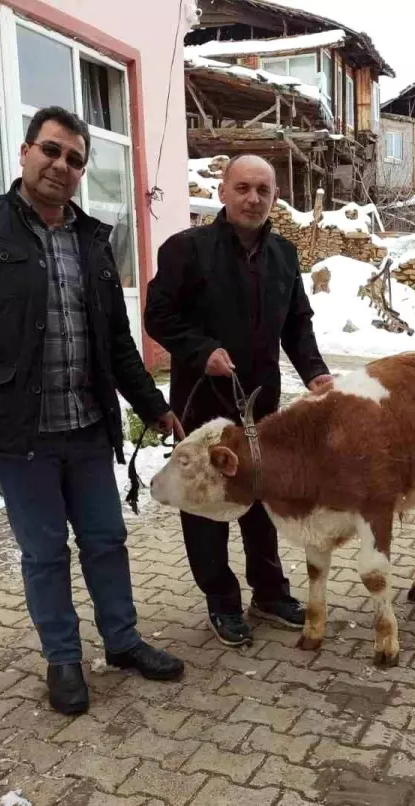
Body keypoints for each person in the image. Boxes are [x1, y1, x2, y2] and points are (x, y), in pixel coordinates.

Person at [0, 106, 185, 715]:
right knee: (44, 551)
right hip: (19, 430)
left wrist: (153, 405)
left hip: (88, 427)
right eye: (52, 151)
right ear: (25, 151)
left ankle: (122, 641)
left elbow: (115, 340)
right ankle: (63, 659)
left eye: (74, 159)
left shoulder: (93, 240)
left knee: (107, 539)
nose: (61, 166)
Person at [144, 154, 334, 647]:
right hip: (202, 400)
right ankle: (222, 601)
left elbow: (297, 324)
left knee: (260, 500)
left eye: (263, 191)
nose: (253, 199)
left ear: (274, 198)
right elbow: (158, 317)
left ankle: (269, 593)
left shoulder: (285, 256)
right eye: (243, 188)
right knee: (206, 503)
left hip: (261, 405)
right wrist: (201, 350)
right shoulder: (186, 249)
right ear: (224, 192)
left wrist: (314, 373)